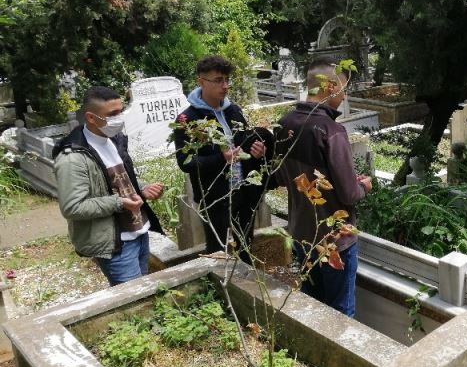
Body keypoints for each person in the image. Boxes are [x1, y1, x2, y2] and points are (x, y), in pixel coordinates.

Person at [274, 58, 372, 317]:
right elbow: (349, 194)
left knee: (313, 306)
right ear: (330, 86)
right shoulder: (331, 130)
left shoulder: (284, 124)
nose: (344, 95)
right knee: (341, 311)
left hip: (301, 233)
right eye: (343, 88)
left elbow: (282, 178)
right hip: (335, 240)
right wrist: (364, 186)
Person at [53, 86, 164, 286]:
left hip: (140, 232)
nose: (119, 118)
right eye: (112, 114)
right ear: (91, 117)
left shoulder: (114, 140)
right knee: (134, 299)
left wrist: (141, 190)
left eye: (121, 111)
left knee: (144, 293)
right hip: (115, 245)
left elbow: (118, 180)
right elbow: (72, 207)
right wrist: (119, 203)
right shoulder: (73, 158)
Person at [173, 56, 273, 262]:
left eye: (227, 79)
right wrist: (221, 158)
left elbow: (244, 144)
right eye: (218, 80)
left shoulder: (233, 110)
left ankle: (245, 277)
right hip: (214, 196)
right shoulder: (188, 120)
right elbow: (186, 162)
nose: (225, 86)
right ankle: (219, 280)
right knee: (216, 249)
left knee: (245, 243)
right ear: (201, 82)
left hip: (244, 190)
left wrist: (257, 151)